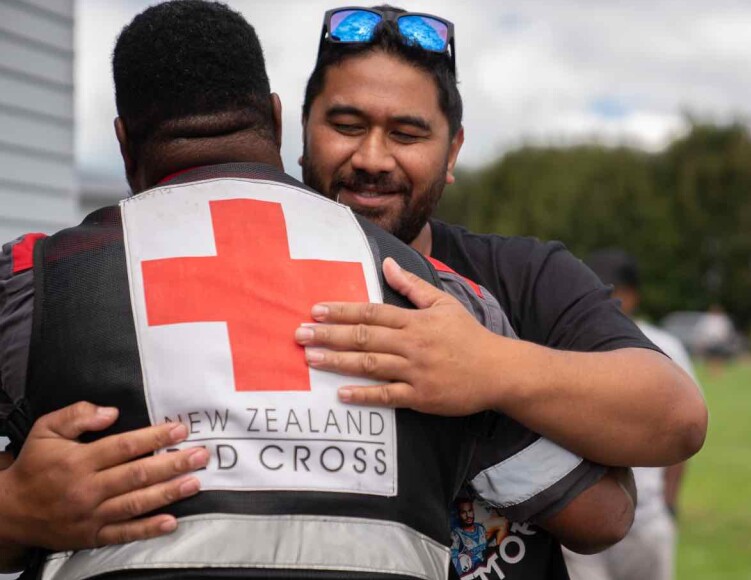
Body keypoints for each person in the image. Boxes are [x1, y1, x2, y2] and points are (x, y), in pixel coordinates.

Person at [0, 2, 631, 578]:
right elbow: (601, 515)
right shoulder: (433, 302)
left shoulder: (39, 278)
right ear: (280, 121)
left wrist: (15, 508)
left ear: (122, 141)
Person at [294, 6, 707, 578]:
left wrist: (486, 367)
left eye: (407, 134)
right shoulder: (236, 271)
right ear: (301, 129)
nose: (371, 158)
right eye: (345, 126)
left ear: (453, 151)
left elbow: (675, 418)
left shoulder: (525, 273)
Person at [563, 249, 701, 580]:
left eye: (613, 292)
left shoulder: (664, 347)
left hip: (646, 520)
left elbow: (684, 434)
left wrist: (667, 505)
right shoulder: (565, 345)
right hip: (578, 520)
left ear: (632, 295)